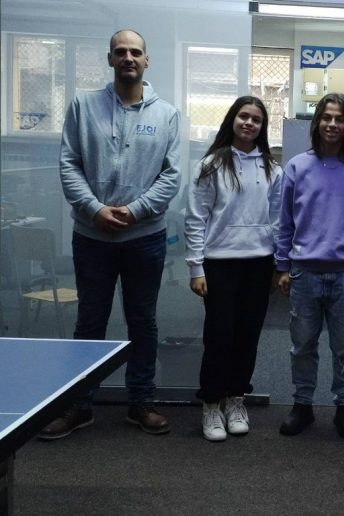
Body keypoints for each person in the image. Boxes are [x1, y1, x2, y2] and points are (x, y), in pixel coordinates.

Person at [40, 29, 180, 440]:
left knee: (143, 322)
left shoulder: (167, 114)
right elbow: (69, 164)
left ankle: (141, 403)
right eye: (120, 52)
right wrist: (94, 209)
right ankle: (79, 406)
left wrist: (135, 211)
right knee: (89, 322)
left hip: (145, 238)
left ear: (147, 60)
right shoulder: (83, 106)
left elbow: (172, 176)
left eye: (135, 52)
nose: (128, 58)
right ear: (110, 59)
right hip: (92, 238)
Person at [275, 93, 344, 439]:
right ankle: (302, 404)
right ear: (317, 122)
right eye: (327, 118)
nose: (332, 124)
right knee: (302, 344)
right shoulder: (296, 167)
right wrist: (282, 266)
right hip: (304, 272)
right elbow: (284, 222)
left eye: (339, 118)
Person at [184, 96, 282, 441]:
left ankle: (235, 399)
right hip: (219, 264)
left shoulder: (272, 169)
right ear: (233, 120)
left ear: (262, 127)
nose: (249, 123)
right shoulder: (210, 165)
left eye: (256, 119)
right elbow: (195, 218)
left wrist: (279, 264)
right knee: (219, 336)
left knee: (247, 335)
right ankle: (211, 403)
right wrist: (196, 268)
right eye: (244, 116)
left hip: (259, 264)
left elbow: (279, 219)